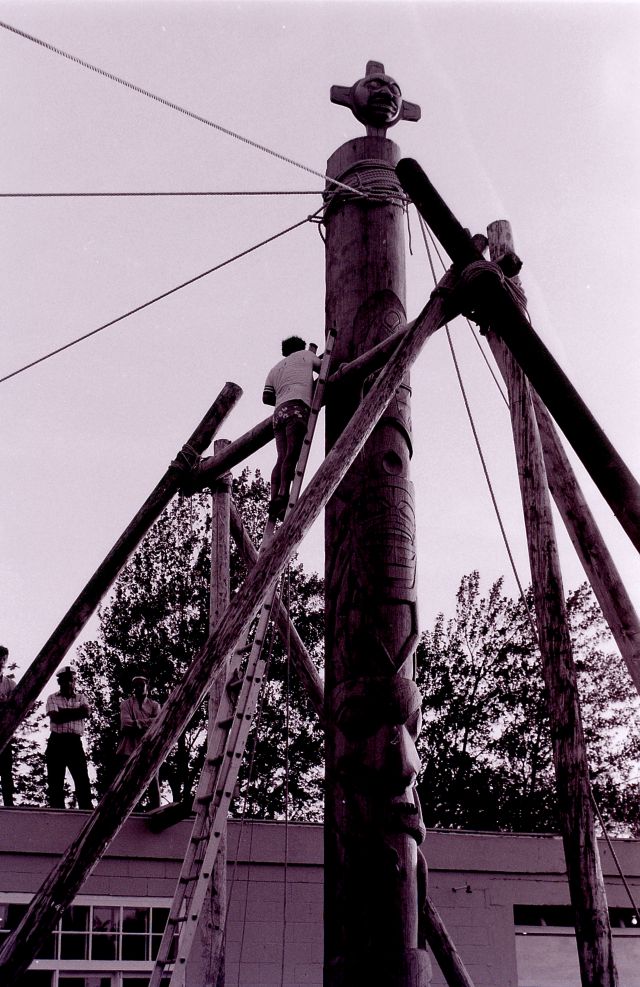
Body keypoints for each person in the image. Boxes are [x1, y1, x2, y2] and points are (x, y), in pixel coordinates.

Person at [262, 336, 321, 520]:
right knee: (292, 454)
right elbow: (324, 367)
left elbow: (266, 397)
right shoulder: (305, 356)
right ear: (301, 347)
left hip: (279, 413)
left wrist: (283, 394)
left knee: (281, 457)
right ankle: (282, 495)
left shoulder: (275, 369)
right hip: (297, 407)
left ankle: (274, 498)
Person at [46, 666, 92, 809]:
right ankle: (57, 810)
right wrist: (77, 712)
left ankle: (86, 809)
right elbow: (55, 718)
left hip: (74, 742)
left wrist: (63, 713)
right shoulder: (52, 697)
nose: (69, 684)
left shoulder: (81, 697)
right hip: (57, 741)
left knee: (82, 778)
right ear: (60, 682)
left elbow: (86, 712)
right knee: (55, 780)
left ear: (75, 681)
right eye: (65, 681)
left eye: (71, 680)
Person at [115, 674, 162, 810]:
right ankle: (125, 810)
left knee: (153, 781)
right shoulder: (126, 704)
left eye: (141, 684)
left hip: (149, 748)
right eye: (136, 685)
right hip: (128, 748)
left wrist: (137, 724)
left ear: (147, 686)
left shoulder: (155, 705)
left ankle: (155, 810)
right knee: (126, 782)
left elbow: (158, 724)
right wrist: (147, 723)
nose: (138, 687)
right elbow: (125, 724)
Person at [0, 646, 15, 806]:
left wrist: (6, 703)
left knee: (6, 771)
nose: (1, 662)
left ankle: (9, 804)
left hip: (5, 732)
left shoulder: (10, 683)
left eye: (4, 659)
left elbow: (17, 704)